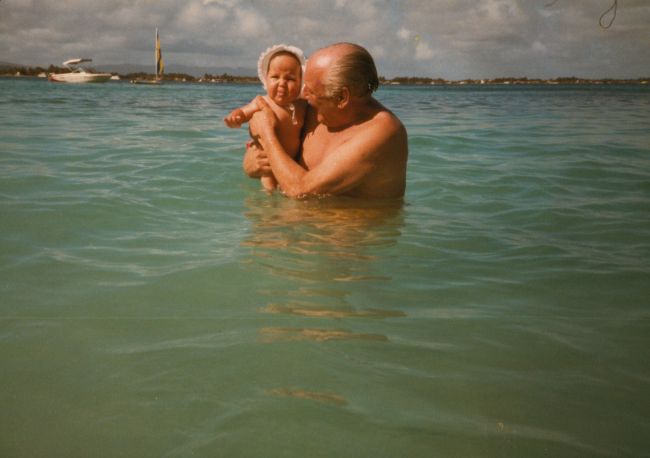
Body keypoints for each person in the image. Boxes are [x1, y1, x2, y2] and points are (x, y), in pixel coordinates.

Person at [244, 42, 408, 199]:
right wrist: (253, 163)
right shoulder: (315, 109)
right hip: (298, 223)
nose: (304, 94)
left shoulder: (382, 132)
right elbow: (276, 151)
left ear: (341, 98)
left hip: (348, 227)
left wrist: (266, 135)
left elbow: (299, 190)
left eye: (311, 91)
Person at [224, 44, 307, 191]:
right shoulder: (262, 102)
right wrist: (235, 117)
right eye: (275, 77)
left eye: (290, 78)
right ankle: (268, 199)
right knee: (268, 181)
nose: (282, 83)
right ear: (265, 79)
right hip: (266, 158)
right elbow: (244, 112)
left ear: (301, 82)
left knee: (285, 187)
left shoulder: (302, 106)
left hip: (290, 162)